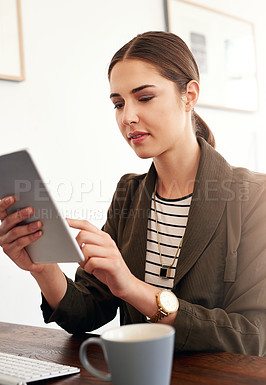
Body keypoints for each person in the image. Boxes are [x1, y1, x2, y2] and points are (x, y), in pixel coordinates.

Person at [1, 31, 266, 356]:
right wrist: (44, 269)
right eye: (118, 103)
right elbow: (87, 311)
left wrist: (134, 288)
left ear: (190, 95)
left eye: (145, 97)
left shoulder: (255, 197)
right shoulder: (130, 193)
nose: (127, 117)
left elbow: (253, 337)